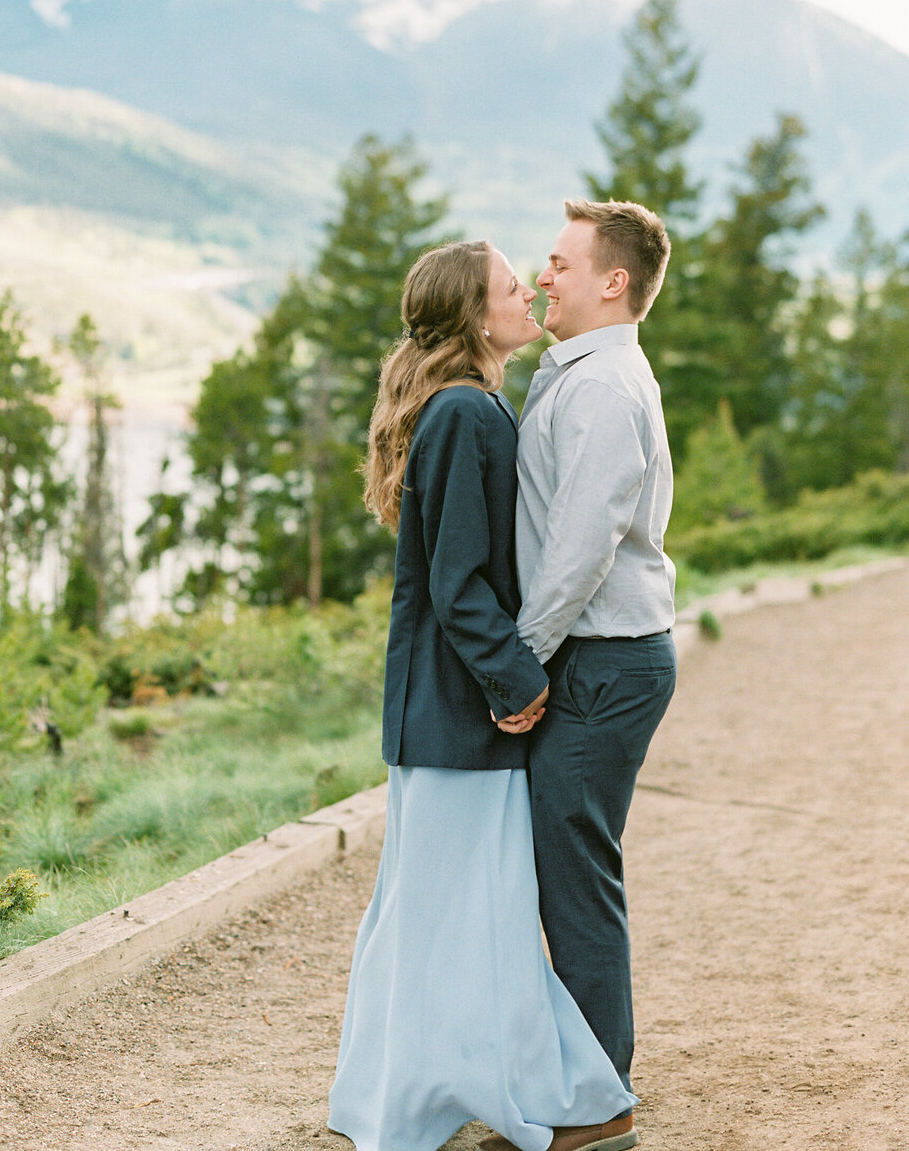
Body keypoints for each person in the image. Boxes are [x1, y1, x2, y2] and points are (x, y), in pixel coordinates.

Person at [328, 239, 638, 1151]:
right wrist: (519, 682)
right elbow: (457, 582)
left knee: (448, 915)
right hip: (459, 713)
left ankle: (431, 1091)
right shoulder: (466, 412)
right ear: (474, 317)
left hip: (450, 709)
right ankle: (533, 1093)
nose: (531, 292)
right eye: (513, 286)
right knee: (464, 918)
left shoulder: (476, 403)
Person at [497, 198, 678, 1143]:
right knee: (564, 873)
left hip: (601, 663)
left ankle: (598, 1103)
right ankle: (571, 1080)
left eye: (562, 263)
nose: (543, 277)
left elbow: (583, 540)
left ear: (614, 281)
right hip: (595, 657)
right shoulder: (577, 375)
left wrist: (519, 662)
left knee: (576, 880)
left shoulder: (605, 386)